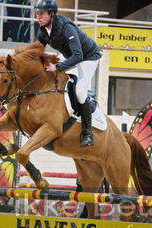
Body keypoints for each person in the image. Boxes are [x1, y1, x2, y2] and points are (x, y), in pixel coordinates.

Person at [34, 0, 102, 147]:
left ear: (51, 14)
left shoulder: (66, 27)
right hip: (70, 55)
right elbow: (38, 54)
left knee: (79, 91)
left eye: (42, 14)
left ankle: (88, 133)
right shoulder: (42, 32)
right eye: (37, 14)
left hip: (88, 57)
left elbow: (78, 56)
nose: (38, 17)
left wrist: (57, 68)